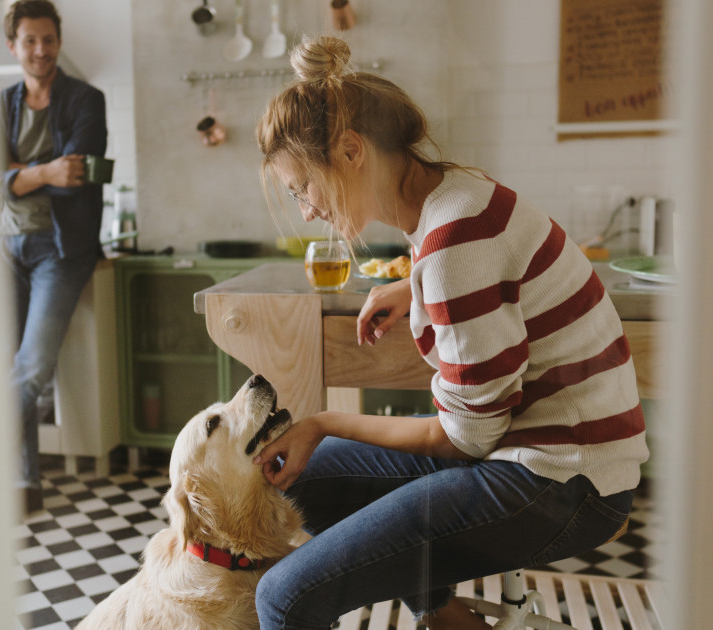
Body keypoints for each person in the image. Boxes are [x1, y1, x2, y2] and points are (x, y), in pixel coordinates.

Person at [251, 36, 649, 630]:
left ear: (352, 151)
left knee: (283, 599)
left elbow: (464, 440)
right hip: (531, 453)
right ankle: (443, 614)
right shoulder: (454, 196)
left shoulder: (453, 244)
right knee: (295, 483)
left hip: (560, 482)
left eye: (301, 187)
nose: (307, 210)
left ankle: (437, 612)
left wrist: (323, 420)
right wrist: (413, 285)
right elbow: (488, 277)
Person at [0, 0, 107, 513]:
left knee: (31, 367)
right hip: (6, 246)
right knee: (6, 365)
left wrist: (20, 172)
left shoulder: (86, 98)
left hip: (62, 250)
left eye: (48, 39)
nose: (40, 50)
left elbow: (78, 175)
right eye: (30, 41)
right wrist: (41, 172)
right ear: (13, 45)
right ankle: (23, 482)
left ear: (58, 42)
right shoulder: (0, 105)